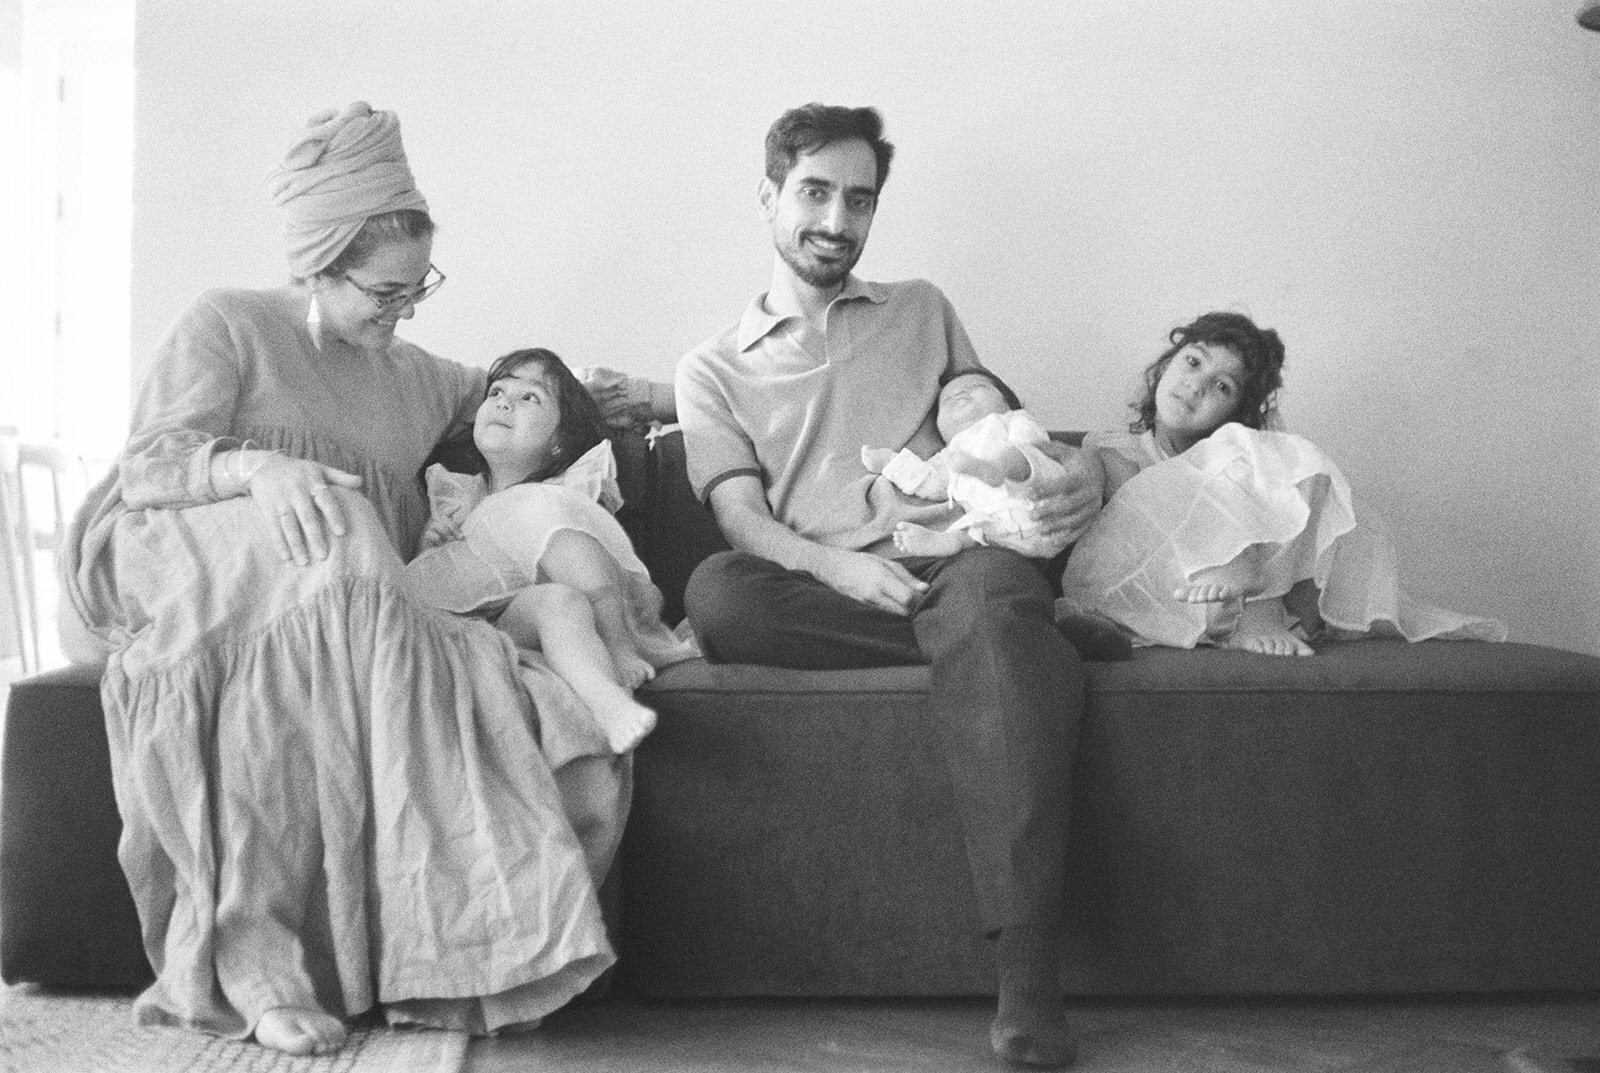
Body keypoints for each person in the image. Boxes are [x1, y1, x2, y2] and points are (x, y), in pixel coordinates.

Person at [58, 103, 619, 1055]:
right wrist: (256, 468)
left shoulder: (408, 373)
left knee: (357, 586)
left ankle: (428, 948)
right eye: (384, 290)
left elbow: (526, 383)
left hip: (327, 592)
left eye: (417, 288)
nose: (402, 310)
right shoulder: (229, 323)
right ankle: (253, 963)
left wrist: (651, 391)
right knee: (338, 542)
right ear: (321, 259)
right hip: (171, 546)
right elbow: (153, 463)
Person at [675, 103, 1098, 1069]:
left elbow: (995, 428)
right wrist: (839, 565)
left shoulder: (923, 308)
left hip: (954, 560)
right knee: (715, 592)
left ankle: (1029, 976)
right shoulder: (710, 370)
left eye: (858, 200)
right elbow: (741, 519)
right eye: (815, 193)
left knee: (988, 598)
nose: (836, 220)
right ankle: (1032, 637)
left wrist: (1075, 475)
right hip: (820, 585)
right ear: (768, 196)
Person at [1059, 311, 1507, 654]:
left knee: (1276, 462)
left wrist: (1253, 446)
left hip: (1211, 597)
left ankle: (1257, 606)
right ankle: (1249, 604)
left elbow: (1275, 468)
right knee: (1177, 480)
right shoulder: (1113, 452)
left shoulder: (1239, 456)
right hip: (1144, 583)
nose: (1197, 385)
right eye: (1193, 363)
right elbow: (1106, 514)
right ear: (1165, 366)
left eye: (1222, 388)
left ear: (1234, 412)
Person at [405, 347, 698, 754]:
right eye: (497, 392)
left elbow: (584, 559)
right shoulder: (457, 494)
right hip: (459, 625)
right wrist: (430, 543)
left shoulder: (561, 493)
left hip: (513, 620)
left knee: (559, 601)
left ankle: (610, 699)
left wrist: (618, 635)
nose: (504, 400)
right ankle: (612, 660)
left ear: (560, 443)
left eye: (530, 398)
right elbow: (433, 578)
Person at [862, 366, 1094, 561]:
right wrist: (890, 463)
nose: (960, 395)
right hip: (1006, 533)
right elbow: (928, 482)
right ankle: (949, 541)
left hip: (1040, 501)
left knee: (1021, 456)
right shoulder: (950, 454)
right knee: (974, 530)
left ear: (1008, 404)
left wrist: (1015, 455)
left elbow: (1031, 441)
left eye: (976, 387)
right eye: (947, 402)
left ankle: (994, 469)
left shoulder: (1010, 420)